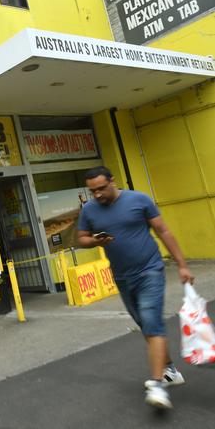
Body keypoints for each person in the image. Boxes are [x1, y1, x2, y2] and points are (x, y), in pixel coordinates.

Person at [76, 166, 195, 410]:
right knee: (145, 324)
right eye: (92, 191)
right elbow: (81, 238)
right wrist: (95, 241)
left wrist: (182, 265)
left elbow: (163, 231)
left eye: (101, 188)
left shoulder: (139, 200)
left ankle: (157, 384)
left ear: (112, 181)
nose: (97, 194)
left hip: (150, 270)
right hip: (122, 276)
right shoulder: (89, 210)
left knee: (152, 321)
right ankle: (170, 370)